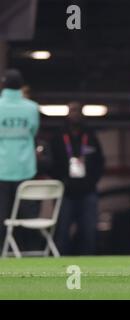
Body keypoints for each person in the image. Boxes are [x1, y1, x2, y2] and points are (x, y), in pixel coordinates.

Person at [50, 101, 105, 255]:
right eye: (72, 110)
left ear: (82, 114)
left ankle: (89, 263)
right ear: (67, 113)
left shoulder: (91, 136)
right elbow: (51, 162)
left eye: (78, 111)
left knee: (89, 231)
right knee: (62, 231)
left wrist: (91, 182)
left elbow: (100, 161)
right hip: (65, 193)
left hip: (88, 192)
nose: (75, 114)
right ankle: (60, 263)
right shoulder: (58, 137)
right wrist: (61, 181)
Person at [0, 69, 40, 249]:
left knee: (1, 216)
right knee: (28, 217)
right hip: (26, 169)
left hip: (2, 169)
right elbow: (34, 132)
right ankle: (28, 252)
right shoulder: (32, 108)